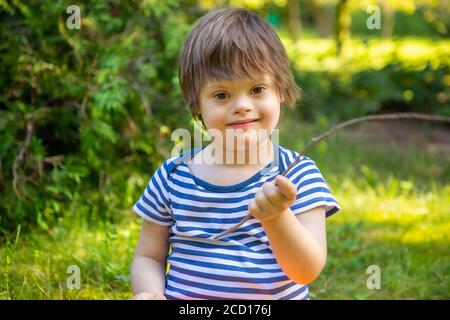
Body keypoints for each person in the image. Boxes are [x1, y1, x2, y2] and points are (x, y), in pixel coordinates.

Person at [130, 7, 340, 300]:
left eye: (257, 89)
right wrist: (150, 292)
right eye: (221, 95)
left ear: (280, 90)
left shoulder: (297, 175)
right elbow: (148, 257)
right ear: (197, 105)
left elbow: (306, 270)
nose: (241, 105)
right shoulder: (173, 177)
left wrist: (276, 217)